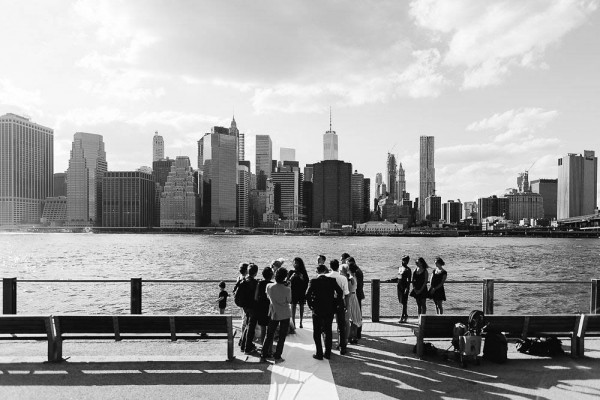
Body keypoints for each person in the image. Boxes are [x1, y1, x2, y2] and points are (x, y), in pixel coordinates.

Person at [306, 264, 343, 360]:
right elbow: (340, 292)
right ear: (325, 271)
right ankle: (327, 353)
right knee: (328, 330)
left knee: (317, 331)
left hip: (317, 309)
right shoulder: (331, 280)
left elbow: (308, 294)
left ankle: (319, 353)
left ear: (317, 272)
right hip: (329, 308)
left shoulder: (314, 281)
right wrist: (336, 303)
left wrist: (311, 305)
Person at [261, 267, 292, 363]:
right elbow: (289, 300)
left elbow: (267, 296)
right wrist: (289, 287)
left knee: (269, 335)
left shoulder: (269, 286)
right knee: (282, 337)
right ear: (285, 277)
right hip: (285, 313)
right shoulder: (287, 289)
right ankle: (277, 356)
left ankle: (264, 354)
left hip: (274, 312)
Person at [327, 259, 349, 355]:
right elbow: (346, 293)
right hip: (340, 302)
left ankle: (328, 346)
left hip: (329, 302)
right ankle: (342, 347)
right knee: (341, 325)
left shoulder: (327, 277)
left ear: (330, 266)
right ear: (338, 266)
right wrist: (347, 305)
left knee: (328, 325)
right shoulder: (343, 278)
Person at [240, 264, 259, 354]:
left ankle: (243, 345)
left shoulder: (244, 281)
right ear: (255, 273)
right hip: (253, 307)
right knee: (251, 327)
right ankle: (247, 348)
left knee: (247, 325)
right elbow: (256, 297)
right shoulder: (255, 283)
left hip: (245, 306)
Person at [255, 267, 274, 350]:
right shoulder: (272, 285)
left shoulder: (260, 283)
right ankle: (270, 348)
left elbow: (256, 297)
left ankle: (263, 347)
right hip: (270, 308)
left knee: (263, 328)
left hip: (261, 307)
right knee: (270, 330)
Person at [289, 257, 309, 331]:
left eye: (297, 263)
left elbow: (307, 281)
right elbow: (287, 282)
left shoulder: (303, 272)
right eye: (294, 263)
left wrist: (302, 278)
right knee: (293, 306)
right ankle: (293, 321)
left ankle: (301, 321)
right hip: (293, 291)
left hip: (301, 291)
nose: (295, 264)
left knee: (301, 306)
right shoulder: (291, 272)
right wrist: (291, 277)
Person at [345, 262, 363, 344]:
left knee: (351, 317)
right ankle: (354, 336)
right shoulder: (354, 277)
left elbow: (347, 289)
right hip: (354, 296)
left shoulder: (351, 278)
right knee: (355, 316)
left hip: (351, 297)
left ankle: (350, 336)